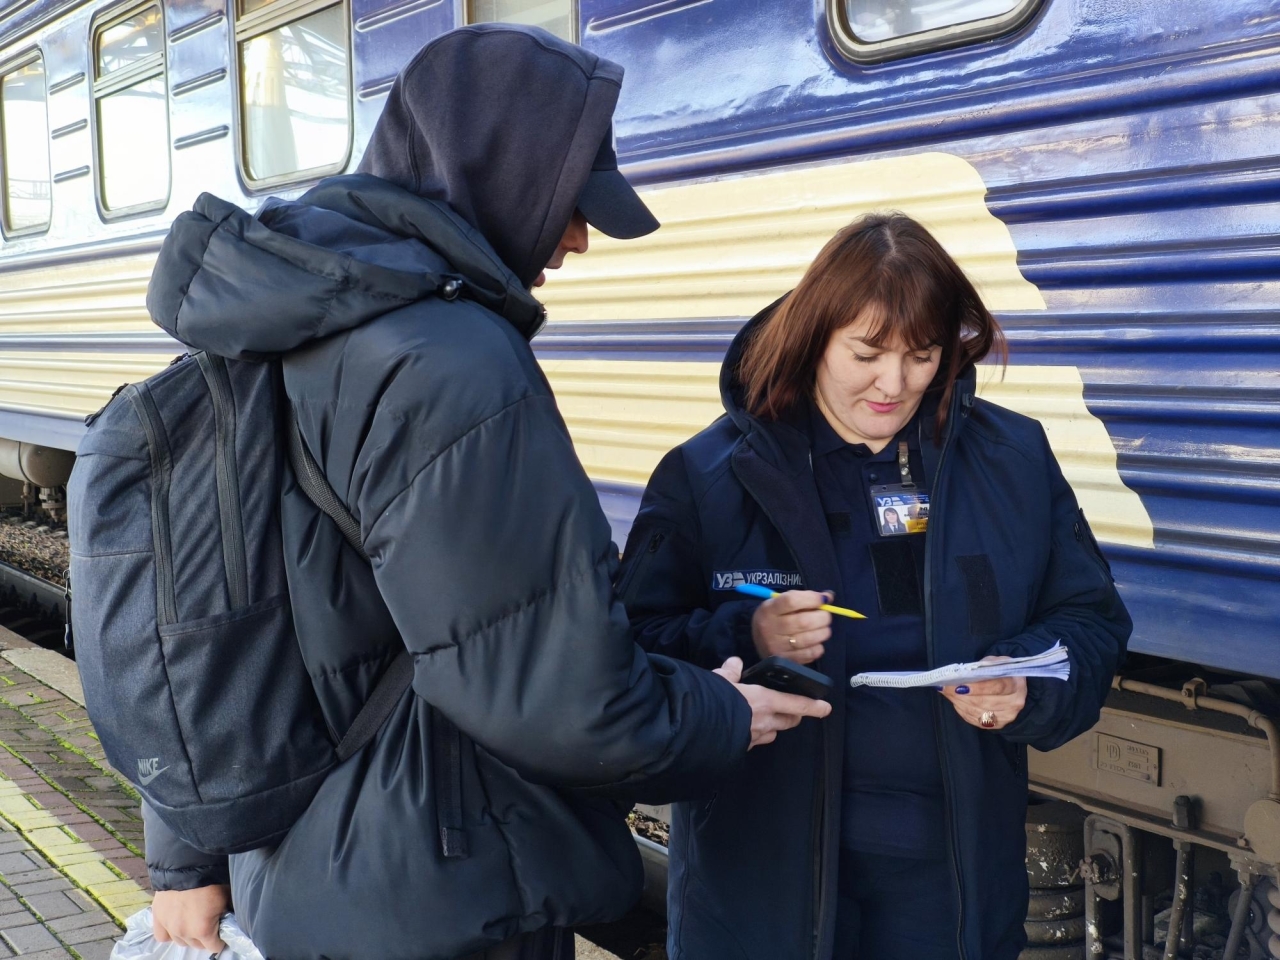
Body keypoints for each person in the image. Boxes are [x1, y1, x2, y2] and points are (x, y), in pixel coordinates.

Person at [141, 25, 830, 960]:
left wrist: (185, 851)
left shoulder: (283, 318)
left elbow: (196, 611)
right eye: (569, 203)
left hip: (309, 866)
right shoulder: (450, 362)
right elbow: (546, 690)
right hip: (444, 878)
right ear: (497, 171)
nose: (579, 240)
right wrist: (719, 714)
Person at [616, 213, 1131, 960]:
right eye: (866, 354)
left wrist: (1025, 681)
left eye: (922, 356)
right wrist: (744, 635)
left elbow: (1089, 620)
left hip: (949, 889)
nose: (894, 385)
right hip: (762, 889)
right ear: (814, 336)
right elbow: (631, 649)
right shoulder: (708, 475)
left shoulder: (1013, 457)